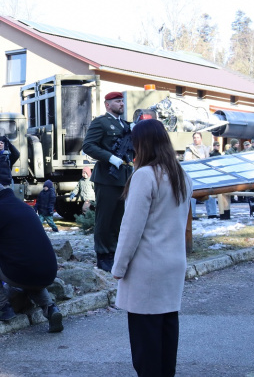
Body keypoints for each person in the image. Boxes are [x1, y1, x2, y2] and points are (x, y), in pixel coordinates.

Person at [111, 119, 192, 377]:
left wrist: (118, 267)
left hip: (147, 268)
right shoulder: (181, 175)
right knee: (167, 336)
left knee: (145, 348)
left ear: (141, 144)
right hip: (173, 264)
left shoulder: (145, 176)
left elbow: (131, 228)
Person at [0, 182, 63, 333]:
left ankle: (3, 307)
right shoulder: (25, 208)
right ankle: (50, 308)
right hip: (49, 271)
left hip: (23, 271)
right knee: (29, 271)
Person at [81, 91, 134, 272]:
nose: (121, 104)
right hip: (107, 176)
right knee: (105, 218)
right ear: (107, 104)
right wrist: (110, 158)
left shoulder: (126, 125)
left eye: (122, 101)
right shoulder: (101, 122)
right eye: (117, 101)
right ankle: (103, 255)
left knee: (119, 218)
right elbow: (88, 145)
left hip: (124, 176)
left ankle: (115, 252)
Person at [183, 132, 217, 219]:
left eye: (197, 137)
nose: (196, 139)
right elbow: (187, 160)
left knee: (210, 193)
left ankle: (212, 213)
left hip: (205, 174)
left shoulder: (205, 148)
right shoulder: (190, 148)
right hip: (193, 174)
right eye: (194, 137)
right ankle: (192, 214)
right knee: (193, 195)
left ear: (201, 138)